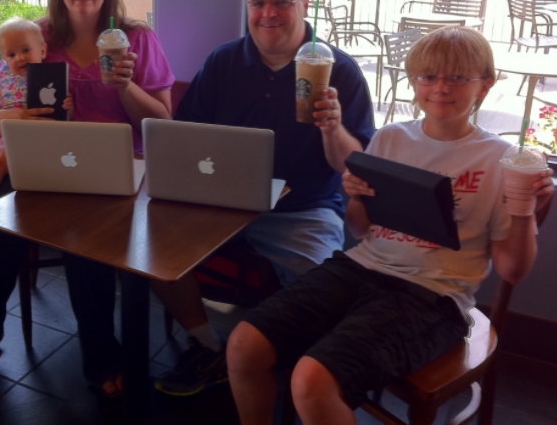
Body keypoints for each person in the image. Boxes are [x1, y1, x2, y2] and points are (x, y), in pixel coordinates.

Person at [226, 26, 554, 425]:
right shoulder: (391, 138)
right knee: (244, 345)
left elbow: (512, 270)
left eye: (457, 77)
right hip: (360, 268)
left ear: (484, 85)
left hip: (433, 295)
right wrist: (358, 197)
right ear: (414, 80)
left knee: (310, 380)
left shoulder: (500, 159)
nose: (441, 87)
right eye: (428, 76)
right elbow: (362, 229)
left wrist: (523, 211)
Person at [151, 0, 375, 396]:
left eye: (281, 1)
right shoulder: (223, 62)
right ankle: (209, 346)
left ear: (305, 5)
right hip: (222, 203)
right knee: (154, 251)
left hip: (303, 210)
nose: (268, 13)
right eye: (258, 2)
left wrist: (332, 127)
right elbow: (186, 135)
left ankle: (293, 372)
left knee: (322, 291)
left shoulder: (340, 71)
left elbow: (352, 168)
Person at [0, 0, 174, 398]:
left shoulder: (136, 38)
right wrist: (17, 116)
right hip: (45, 161)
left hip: (119, 169)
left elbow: (163, 121)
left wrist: (125, 87)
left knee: (83, 243)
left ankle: (101, 358)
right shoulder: (38, 37)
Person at [0, 17, 73, 193]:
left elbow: (62, 112)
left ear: (43, 51)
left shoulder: (49, 77)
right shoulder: (6, 78)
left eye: (26, 50)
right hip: (5, 137)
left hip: (29, 139)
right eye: (12, 55)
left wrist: (69, 105)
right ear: (4, 59)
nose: (20, 58)